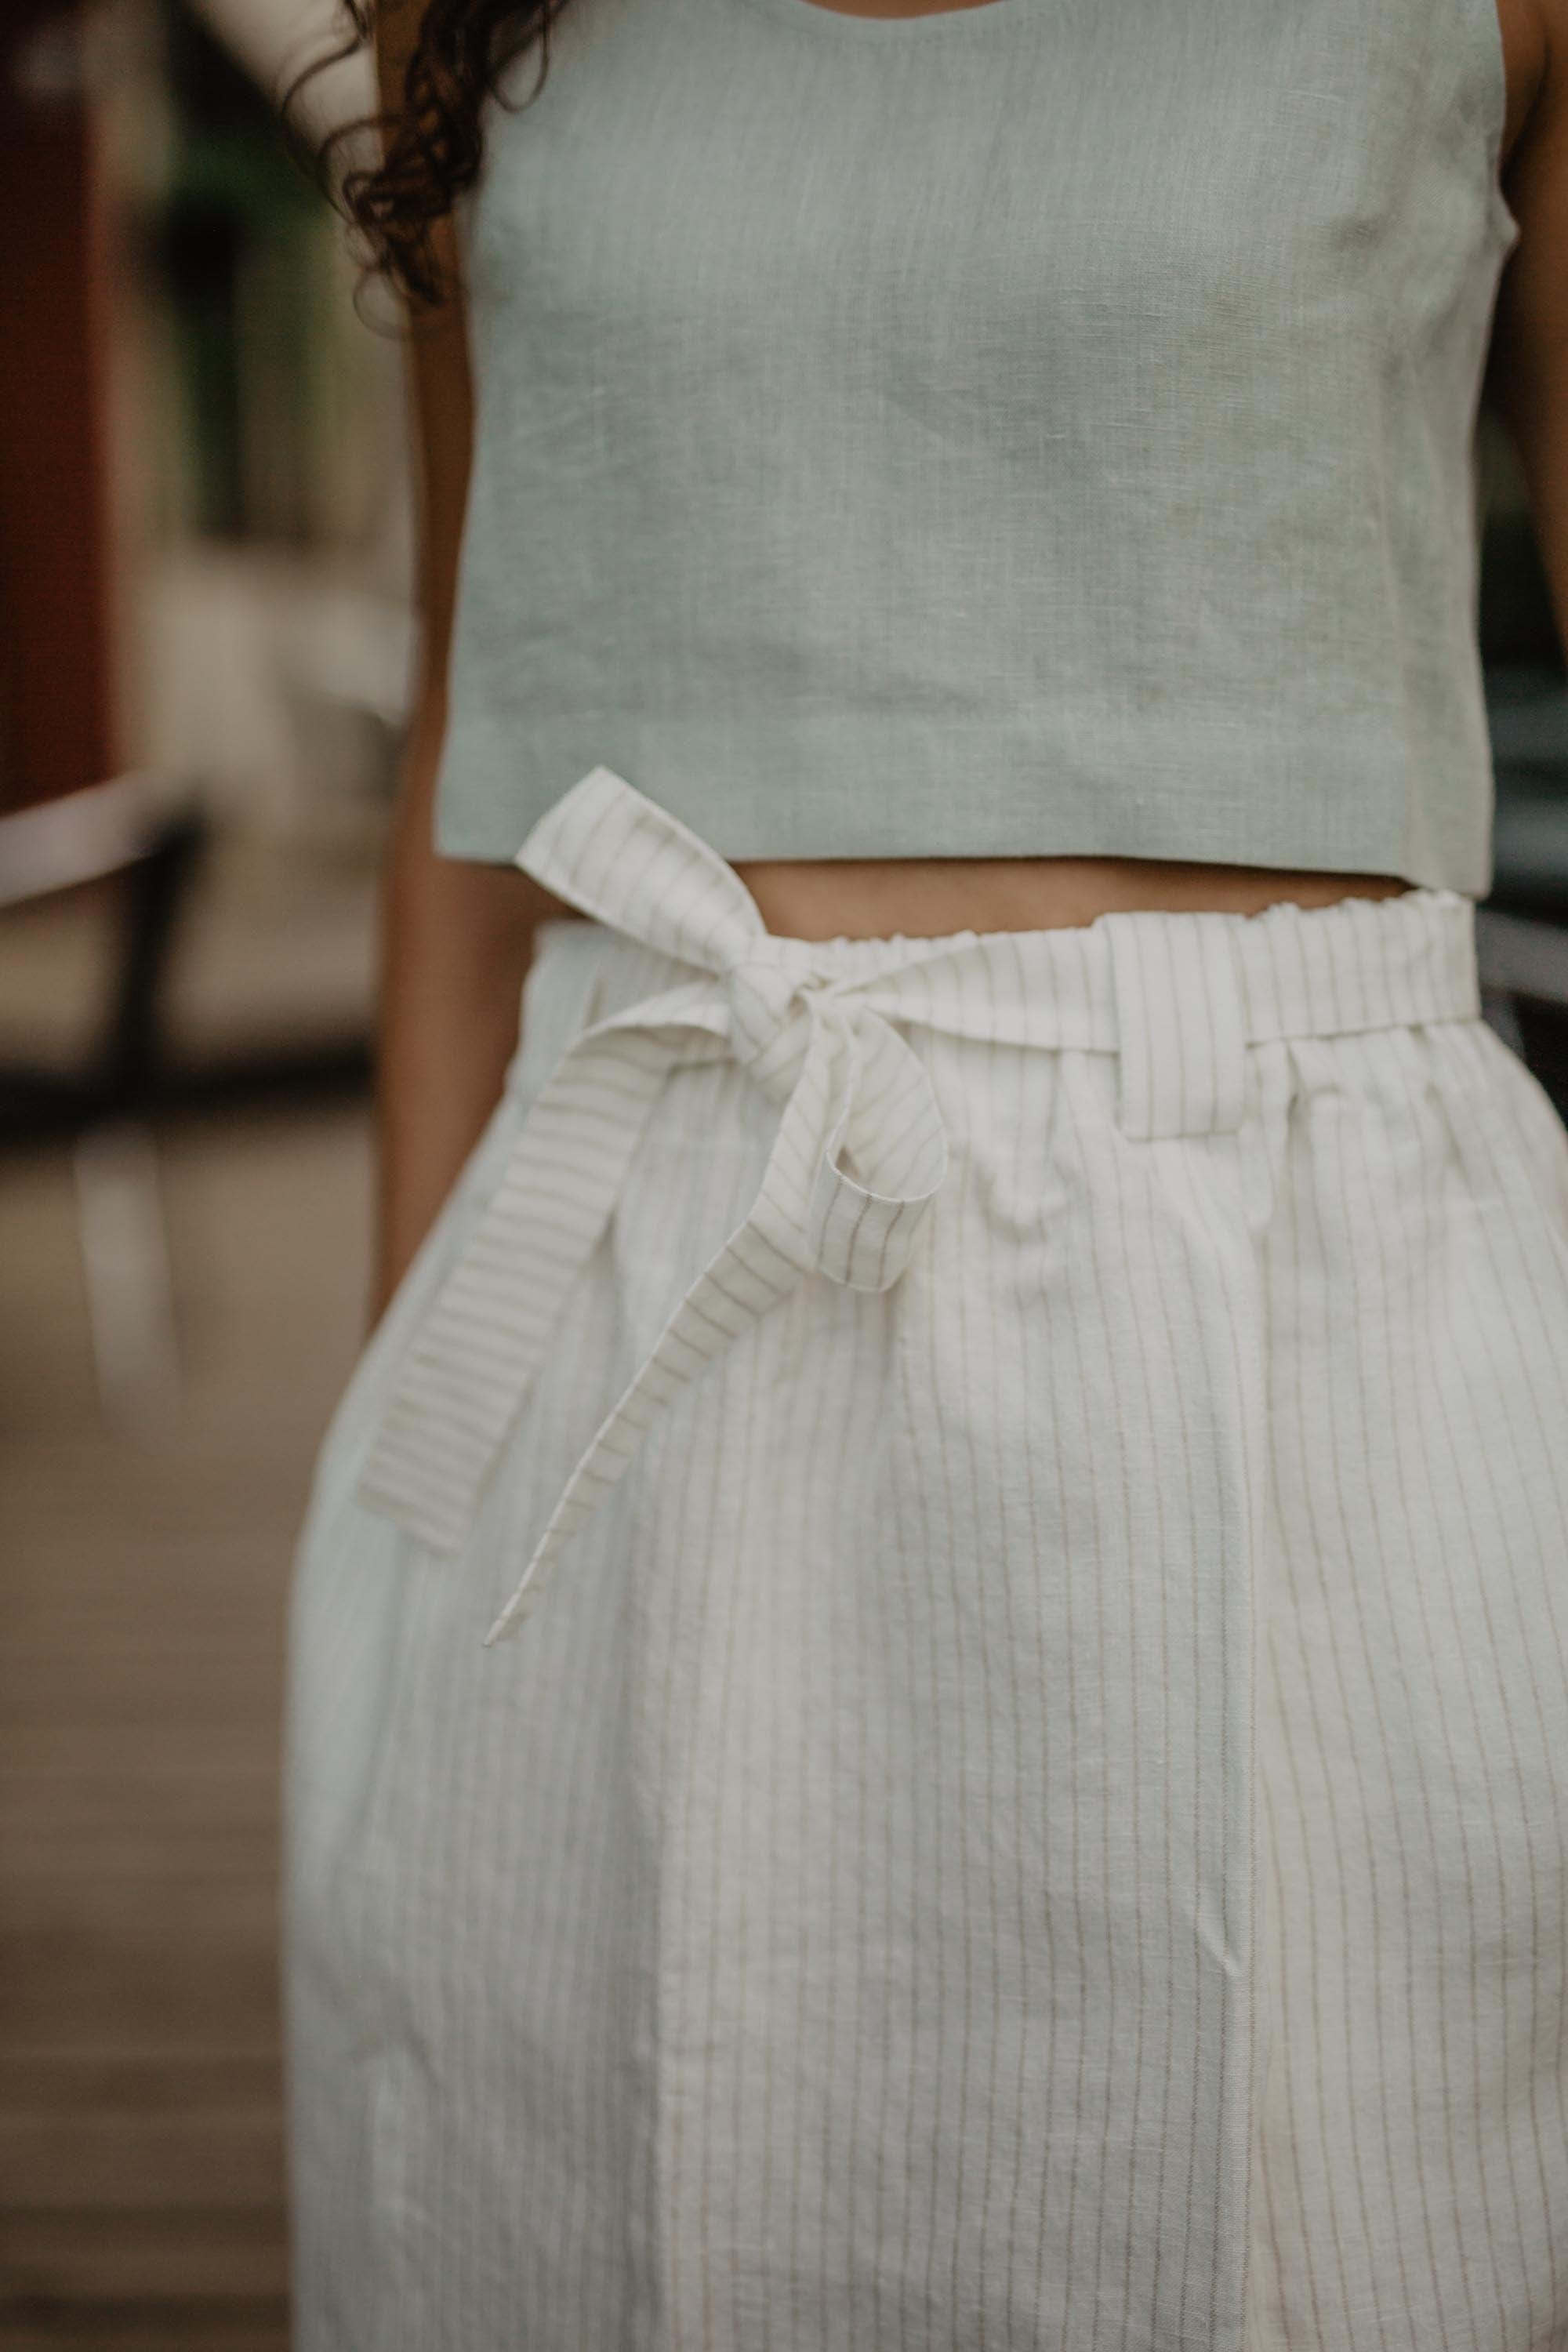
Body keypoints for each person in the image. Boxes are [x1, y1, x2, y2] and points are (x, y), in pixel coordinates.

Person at [283, 0, 1568, 2341]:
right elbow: (489, 751)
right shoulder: (476, 14)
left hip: (1310, 1318)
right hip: (619, 1304)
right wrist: (410, 1465)